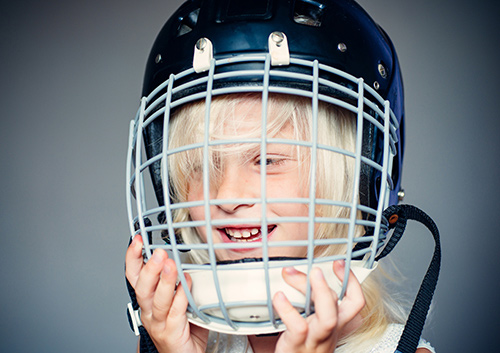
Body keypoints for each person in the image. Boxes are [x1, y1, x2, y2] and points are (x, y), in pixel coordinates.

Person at [125, 1, 439, 352]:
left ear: (358, 177)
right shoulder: (181, 341)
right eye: (203, 166)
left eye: (268, 160)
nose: (227, 196)